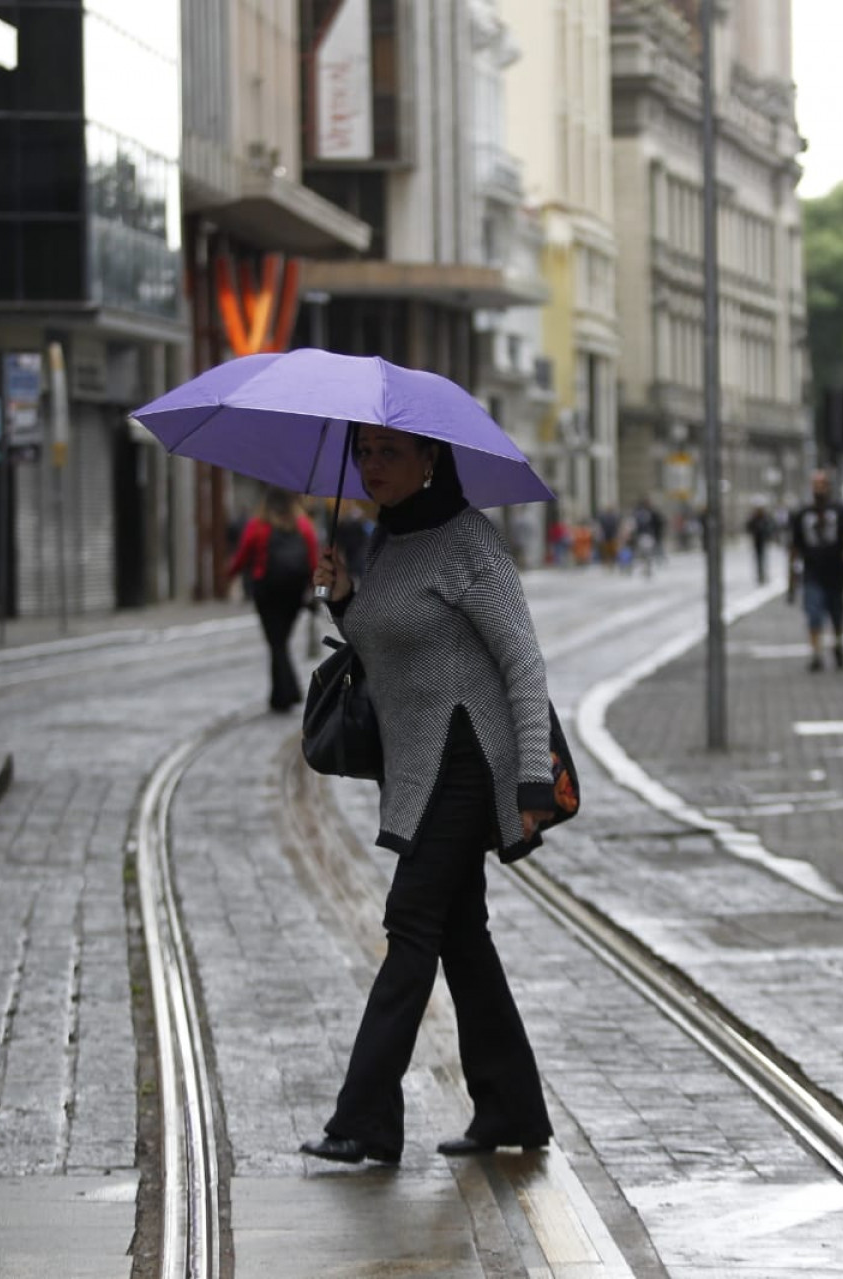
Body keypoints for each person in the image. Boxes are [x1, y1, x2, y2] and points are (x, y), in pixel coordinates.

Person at [301, 424, 556, 1166]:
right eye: (364, 453)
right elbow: (393, 649)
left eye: (389, 452)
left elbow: (523, 659)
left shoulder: (468, 539)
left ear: (429, 458)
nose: (372, 466)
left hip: (469, 759)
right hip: (421, 765)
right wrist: (345, 603)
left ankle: (365, 1118)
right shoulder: (389, 540)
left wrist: (532, 773)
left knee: (411, 922)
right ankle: (510, 1106)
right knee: (459, 934)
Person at [225, 487, 319, 712]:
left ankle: (284, 694)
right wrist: (315, 588)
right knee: (281, 640)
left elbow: (243, 555)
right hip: (294, 592)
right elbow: (313, 557)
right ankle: (283, 693)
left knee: (276, 642)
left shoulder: (257, 526)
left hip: (266, 591)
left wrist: (229, 576)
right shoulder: (304, 525)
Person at [788, 470, 843, 672]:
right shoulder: (803, 513)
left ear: (829, 487)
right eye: (816, 485)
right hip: (812, 572)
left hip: (837, 572)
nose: (819, 489)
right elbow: (794, 546)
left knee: (837, 612)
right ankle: (816, 653)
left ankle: (838, 645)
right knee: (813, 612)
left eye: (823, 484)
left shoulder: (841, 510)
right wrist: (792, 577)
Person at [745, 505, 775, 585]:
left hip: (763, 541)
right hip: (757, 541)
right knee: (759, 559)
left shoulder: (765, 519)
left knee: (763, 558)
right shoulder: (754, 519)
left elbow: (770, 527)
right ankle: (760, 575)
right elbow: (749, 527)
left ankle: (763, 574)